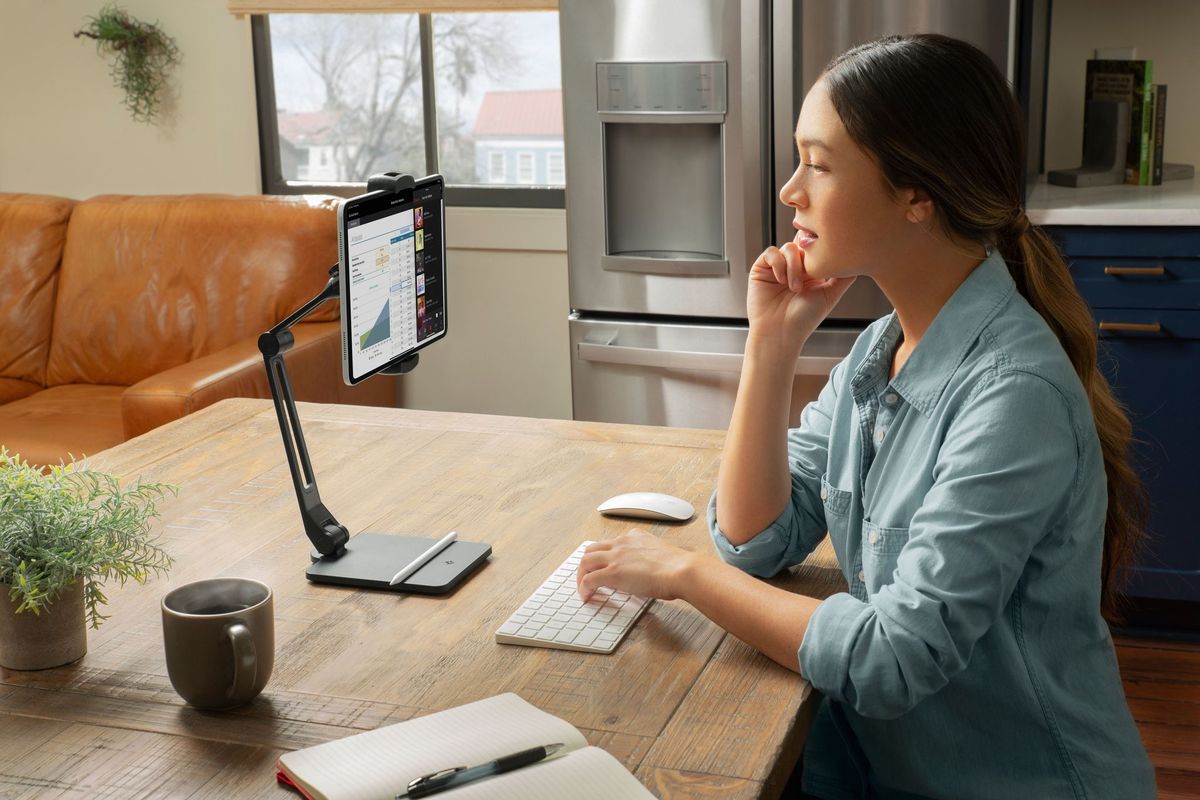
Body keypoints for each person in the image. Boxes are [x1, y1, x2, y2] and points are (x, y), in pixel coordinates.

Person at [576, 33, 1156, 800]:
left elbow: (893, 658)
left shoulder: (1013, 396)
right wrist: (771, 349)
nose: (790, 191)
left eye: (817, 164)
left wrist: (681, 574)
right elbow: (756, 542)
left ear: (917, 195)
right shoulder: (885, 347)